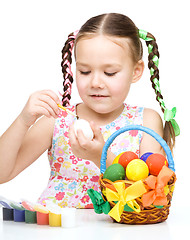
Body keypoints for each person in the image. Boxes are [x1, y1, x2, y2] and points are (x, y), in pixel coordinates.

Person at [0, 13, 179, 208]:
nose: (95, 83)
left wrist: (99, 156)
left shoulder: (145, 121)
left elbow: (150, 194)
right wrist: (23, 121)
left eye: (109, 73)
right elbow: (3, 173)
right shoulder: (58, 120)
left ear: (136, 71)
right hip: (57, 232)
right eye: (85, 71)